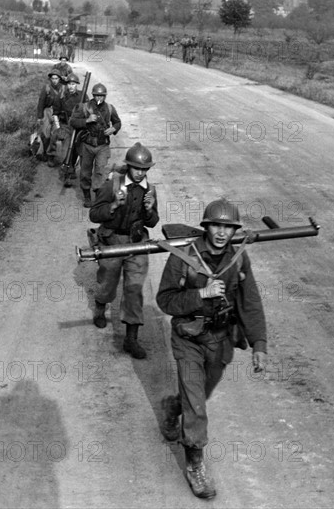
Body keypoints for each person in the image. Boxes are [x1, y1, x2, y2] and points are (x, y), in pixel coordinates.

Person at [156, 199, 267, 500]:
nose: (221, 233)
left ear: (234, 231)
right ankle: (195, 466)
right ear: (206, 227)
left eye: (228, 227)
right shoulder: (184, 256)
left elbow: (250, 302)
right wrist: (200, 295)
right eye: (216, 226)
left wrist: (259, 343)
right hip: (188, 338)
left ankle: (171, 407)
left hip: (220, 340)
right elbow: (165, 300)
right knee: (197, 406)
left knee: (199, 395)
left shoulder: (239, 259)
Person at [89, 143, 159, 359]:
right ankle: (100, 306)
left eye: (145, 169)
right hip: (113, 240)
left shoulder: (150, 190)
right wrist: (113, 206)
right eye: (138, 168)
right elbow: (94, 214)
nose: (141, 173)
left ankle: (131, 339)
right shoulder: (113, 184)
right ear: (129, 166)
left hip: (137, 242)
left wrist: (149, 210)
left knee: (134, 288)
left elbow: (154, 221)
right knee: (108, 281)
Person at [69, 83, 121, 208]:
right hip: (87, 145)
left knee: (100, 172)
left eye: (101, 96)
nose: (99, 98)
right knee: (85, 173)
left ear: (105, 96)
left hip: (102, 145)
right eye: (97, 95)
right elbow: (72, 121)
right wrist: (86, 121)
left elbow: (117, 122)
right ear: (93, 95)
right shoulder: (84, 107)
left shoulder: (109, 108)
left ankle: (99, 197)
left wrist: (113, 128)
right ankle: (87, 196)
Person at [36, 69, 66, 161]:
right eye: (53, 78)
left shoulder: (63, 88)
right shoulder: (46, 88)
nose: (54, 80)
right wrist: (40, 117)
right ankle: (44, 152)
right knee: (46, 134)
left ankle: (51, 154)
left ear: (59, 79)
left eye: (56, 78)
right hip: (47, 111)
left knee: (55, 135)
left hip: (58, 113)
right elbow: (41, 102)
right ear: (50, 79)